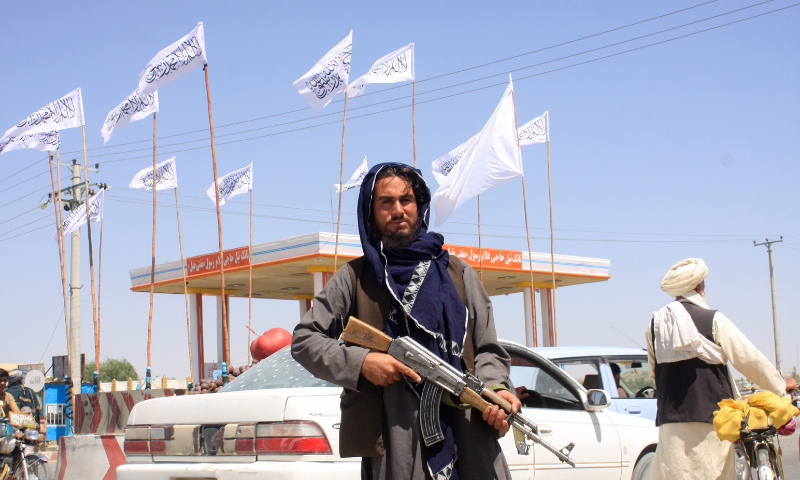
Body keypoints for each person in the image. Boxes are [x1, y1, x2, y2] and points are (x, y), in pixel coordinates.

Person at [292, 163, 520, 480]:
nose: (398, 210)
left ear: (420, 205)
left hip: (468, 436)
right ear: (370, 212)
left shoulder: (458, 273)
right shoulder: (354, 278)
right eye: (386, 202)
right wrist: (363, 362)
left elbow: (489, 349)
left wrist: (497, 390)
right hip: (393, 437)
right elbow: (305, 340)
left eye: (406, 200)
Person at [646, 258, 784, 480]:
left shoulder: (656, 325)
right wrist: (779, 388)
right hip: (713, 421)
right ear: (699, 287)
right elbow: (749, 359)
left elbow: (655, 372)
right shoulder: (713, 319)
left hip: (671, 422)